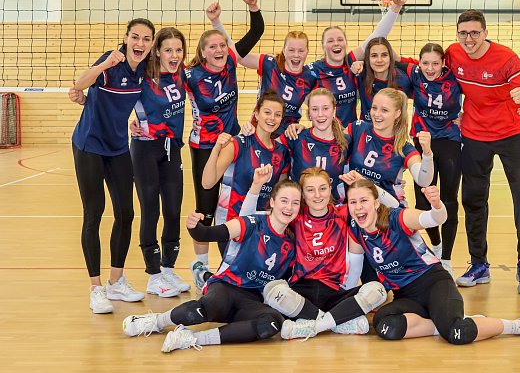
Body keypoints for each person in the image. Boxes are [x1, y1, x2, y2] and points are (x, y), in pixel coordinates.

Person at [345, 179, 520, 344]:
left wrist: (436, 205)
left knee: (456, 333)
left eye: (363, 201)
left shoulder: (397, 218)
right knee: (384, 325)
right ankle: (443, 322)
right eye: (353, 202)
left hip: (433, 283)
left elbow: (435, 219)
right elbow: (353, 273)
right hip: (406, 295)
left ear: (376, 203)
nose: (358, 207)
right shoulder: (356, 231)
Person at [121, 180, 301, 353]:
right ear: (272, 202)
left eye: (295, 203)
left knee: (271, 323)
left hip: (251, 301)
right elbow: (207, 234)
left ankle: (192, 338)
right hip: (226, 287)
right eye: (284, 200)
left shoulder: (293, 245)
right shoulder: (253, 222)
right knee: (200, 311)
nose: (289, 207)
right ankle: (156, 321)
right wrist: (195, 227)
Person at [446, 10, 520, 295]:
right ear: (457, 34)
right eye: (463, 33)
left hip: (512, 134)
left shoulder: (506, 59)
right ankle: (479, 264)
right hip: (475, 135)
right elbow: (427, 70)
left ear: (485, 33)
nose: (469, 39)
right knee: (473, 199)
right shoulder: (453, 54)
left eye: (475, 32)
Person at [239, 166, 386, 339]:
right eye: (310, 190)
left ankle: (312, 325)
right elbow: (246, 220)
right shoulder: (294, 215)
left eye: (322, 188)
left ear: (330, 189)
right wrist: (256, 186)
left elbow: (392, 206)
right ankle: (336, 321)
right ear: (302, 194)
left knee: (378, 290)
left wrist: (364, 183)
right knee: (272, 289)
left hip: (335, 293)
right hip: (301, 293)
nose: (317, 195)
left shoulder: (343, 213)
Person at [69, 18, 155, 313]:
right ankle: (96, 289)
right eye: (135, 37)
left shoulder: (145, 70)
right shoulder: (111, 62)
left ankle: (116, 282)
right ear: (126, 38)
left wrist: (137, 122)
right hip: (89, 146)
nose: (140, 43)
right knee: (93, 213)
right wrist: (104, 64)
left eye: (146, 39)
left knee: (126, 213)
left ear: (151, 44)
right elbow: (79, 85)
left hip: (118, 148)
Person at [185, 0, 264, 277]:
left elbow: (256, 31)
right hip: (205, 146)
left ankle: (233, 260)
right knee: (206, 208)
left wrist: (252, 7)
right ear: (203, 52)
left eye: (222, 45)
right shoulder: (189, 76)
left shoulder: (230, 60)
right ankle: (200, 266)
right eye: (212, 47)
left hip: (233, 143)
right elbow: (160, 92)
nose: (219, 50)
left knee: (234, 202)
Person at [129, 27, 190, 297]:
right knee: (151, 211)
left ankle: (168, 269)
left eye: (178, 50)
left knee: (174, 211)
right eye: (168, 50)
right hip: (145, 148)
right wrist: (131, 123)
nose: (174, 55)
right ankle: (153, 275)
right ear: (157, 51)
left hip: (172, 148)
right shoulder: (142, 75)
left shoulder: (183, 74)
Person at [198, 89, 291, 266]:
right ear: (256, 113)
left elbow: (281, 194)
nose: (272, 118)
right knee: (236, 273)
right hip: (232, 223)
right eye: (267, 112)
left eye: (277, 115)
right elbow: (207, 183)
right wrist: (216, 149)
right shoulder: (238, 143)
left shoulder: (282, 153)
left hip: (261, 225)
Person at [396, 43, 462, 277]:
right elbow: (390, 57)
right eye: (426, 63)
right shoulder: (414, 72)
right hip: (423, 140)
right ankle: (436, 245)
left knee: (449, 200)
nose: (430, 68)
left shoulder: (454, 77)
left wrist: (467, 116)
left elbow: (478, 96)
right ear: (419, 63)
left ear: (443, 63)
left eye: (435, 63)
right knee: (424, 202)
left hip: (449, 140)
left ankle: (447, 259)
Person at [308, 0, 407, 126]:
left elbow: (377, 35)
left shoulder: (350, 61)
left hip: (351, 133)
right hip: (325, 132)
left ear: (346, 44)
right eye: (330, 41)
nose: (336, 43)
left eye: (340, 40)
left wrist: (396, 7)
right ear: (323, 47)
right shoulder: (314, 69)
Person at [346, 88, 434, 207]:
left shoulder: (404, 148)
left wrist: (427, 153)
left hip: (388, 209)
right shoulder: (358, 128)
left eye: (384, 110)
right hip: (357, 206)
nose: (377, 114)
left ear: (397, 113)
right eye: (374, 108)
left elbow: (423, 181)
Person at [238, 31, 316, 137]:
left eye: (301, 51)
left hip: (287, 136)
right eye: (291, 50)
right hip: (259, 132)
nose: (296, 55)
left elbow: (318, 108)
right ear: (284, 50)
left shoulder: (310, 77)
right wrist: (217, 25)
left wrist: (305, 127)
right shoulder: (270, 65)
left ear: (307, 51)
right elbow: (238, 56)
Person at [280, 88, 350, 203]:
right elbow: (266, 144)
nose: (320, 114)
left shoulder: (346, 141)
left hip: (332, 208)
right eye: (314, 109)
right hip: (300, 208)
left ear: (334, 111)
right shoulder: (296, 136)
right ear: (309, 114)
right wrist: (251, 130)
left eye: (325, 108)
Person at [356, 37, 413, 123]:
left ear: (390, 57)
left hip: (394, 130)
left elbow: (426, 67)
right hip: (367, 129)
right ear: (368, 58)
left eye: (384, 55)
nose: (379, 60)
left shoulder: (403, 80)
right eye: (374, 55)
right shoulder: (361, 75)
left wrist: (399, 58)